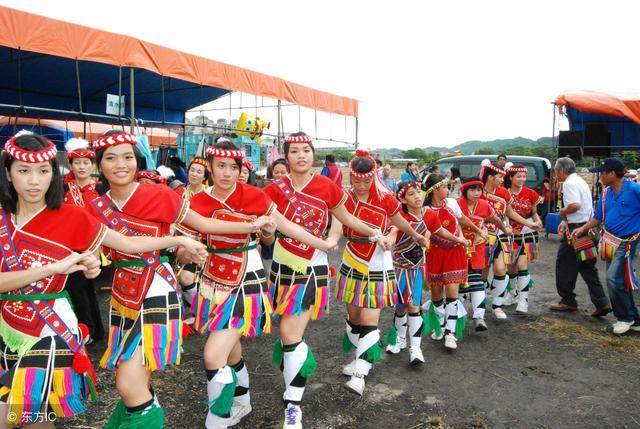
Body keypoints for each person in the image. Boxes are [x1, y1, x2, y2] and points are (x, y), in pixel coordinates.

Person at [0, 131, 207, 427]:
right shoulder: (8, 218)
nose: (34, 181)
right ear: (7, 174)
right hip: (9, 329)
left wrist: (179, 240)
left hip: (49, 329)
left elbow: (129, 244)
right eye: (23, 171)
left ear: (53, 175)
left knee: (10, 414)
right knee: (33, 419)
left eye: (43, 171)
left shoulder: (73, 216)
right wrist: (68, 265)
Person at [88, 130, 272, 428]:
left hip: (159, 290)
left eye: (127, 157)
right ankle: (236, 400)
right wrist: (90, 264)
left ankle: (221, 419)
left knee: (134, 381)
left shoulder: (160, 195)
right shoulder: (95, 205)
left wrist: (256, 225)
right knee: (140, 377)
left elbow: (201, 224)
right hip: (128, 296)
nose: (120, 164)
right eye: (111, 158)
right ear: (101, 164)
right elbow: (98, 249)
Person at [263, 133, 394, 427]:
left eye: (306, 150)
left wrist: (375, 233)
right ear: (285, 156)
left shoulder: (327, 187)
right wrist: (267, 233)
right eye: (294, 151)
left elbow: (347, 218)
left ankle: (293, 406)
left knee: (289, 331)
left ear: (314, 154)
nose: (301, 155)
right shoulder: (274, 189)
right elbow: (268, 235)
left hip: (312, 268)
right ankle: (292, 386)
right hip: (281, 269)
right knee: (287, 335)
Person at [336, 150, 429, 396]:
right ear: (351, 177)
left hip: (378, 262)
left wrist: (415, 235)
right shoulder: (344, 198)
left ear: (374, 176)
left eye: (367, 181)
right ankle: (358, 359)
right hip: (352, 260)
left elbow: (399, 223)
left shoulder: (386, 198)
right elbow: (337, 226)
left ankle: (360, 374)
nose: (362, 185)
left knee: (369, 319)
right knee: (353, 318)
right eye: (357, 181)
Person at [573, 157, 640, 335]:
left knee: (612, 278)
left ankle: (625, 317)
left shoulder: (634, 189)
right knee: (618, 279)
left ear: (611, 173)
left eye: (602, 173)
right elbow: (598, 218)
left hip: (627, 240)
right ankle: (633, 317)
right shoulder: (605, 194)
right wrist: (583, 228)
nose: (599, 177)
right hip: (610, 241)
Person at [421, 174, 481, 351]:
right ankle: (439, 324)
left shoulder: (452, 204)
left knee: (452, 291)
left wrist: (477, 230)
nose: (448, 190)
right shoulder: (425, 211)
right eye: (446, 187)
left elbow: (461, 220)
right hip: (435, 254)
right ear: (436, 189)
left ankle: (450, 333)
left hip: (455, 252)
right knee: (437, 294)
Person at [551, 157, 610, 316]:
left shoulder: (569, 183)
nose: (556, 174)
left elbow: (575, 205)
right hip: (586, 227)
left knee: (564, 265)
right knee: (587, 267)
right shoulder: (580, 180)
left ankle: (567, 300)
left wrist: (563, 212)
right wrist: (566, 221)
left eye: (556, 171)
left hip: (576, 231)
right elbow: (584, 206)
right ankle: (602, 302)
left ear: (561, 170)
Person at [62, 137, 105, 343]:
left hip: (93, 244)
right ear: (70, 165)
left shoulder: (100, 188)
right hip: (67, 245)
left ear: (93, 165)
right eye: (77, 163)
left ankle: (91, 331)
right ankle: (92, 330)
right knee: (77, 288)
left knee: (84, 288)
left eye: (86, 162)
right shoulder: (62, 189)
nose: (81, 166)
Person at [457, 177, 510, 331]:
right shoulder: (457, 205)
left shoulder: (484, 205)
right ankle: (456, 317)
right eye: (472, 190)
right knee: (457, 282)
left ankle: (479, 316)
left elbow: (496, 219)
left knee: (477, 280)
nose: (476, 193)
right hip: (458, 248)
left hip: (478, 248)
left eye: (479, 190)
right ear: (465, 191)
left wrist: (505, 230)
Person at [504, 163, 543, 314]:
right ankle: (513, 293)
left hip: (528, 232)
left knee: (522, 265)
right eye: (518, 176)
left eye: (524, 176)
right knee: (511, 266)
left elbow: (533, 212)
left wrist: (537, 220)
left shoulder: (530, 193)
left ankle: (523, 300)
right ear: (511, 177)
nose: (522, 179)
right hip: (510, 233)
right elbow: (505, 214)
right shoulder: (504, 194)